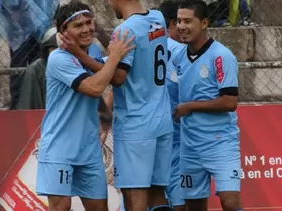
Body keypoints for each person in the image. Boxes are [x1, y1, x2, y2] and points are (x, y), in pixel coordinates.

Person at [59, 0, 174, 210]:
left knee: (134, 197)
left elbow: (119, 76)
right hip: (161, 118)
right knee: (157, 192)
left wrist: (80, 55)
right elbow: (136, 55)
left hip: (136, 124)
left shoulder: (125, 29)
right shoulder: (157, 18)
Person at [35, 1, 135, 211]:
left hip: (89, 150)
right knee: (61, 207)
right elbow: (94, 88)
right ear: (64, 32)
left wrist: (106, 42)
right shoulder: (58, 58)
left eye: (89, 23)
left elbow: (116, 71)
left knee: (100, 208)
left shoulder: (94, 54)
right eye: (78, 25)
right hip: (59, 149)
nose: (86, 29)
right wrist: (114, 55)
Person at [173, 1, 242, 210]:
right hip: (190, 145)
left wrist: (191, 106)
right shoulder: (178, 57)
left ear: (204, 23)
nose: (182, 26)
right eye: (178, 21)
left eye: (187, 21)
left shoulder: (221, 56)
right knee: (193, 206)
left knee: (230, 203)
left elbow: (230, 102)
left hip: (220, 143)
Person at [159, 1, 186, 211]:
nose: (186, 28)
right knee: (179, 200)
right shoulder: (184, 52)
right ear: (172, 23)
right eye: (182, 22)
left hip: (152, 134)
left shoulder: (145, 46)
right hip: (176, 137)